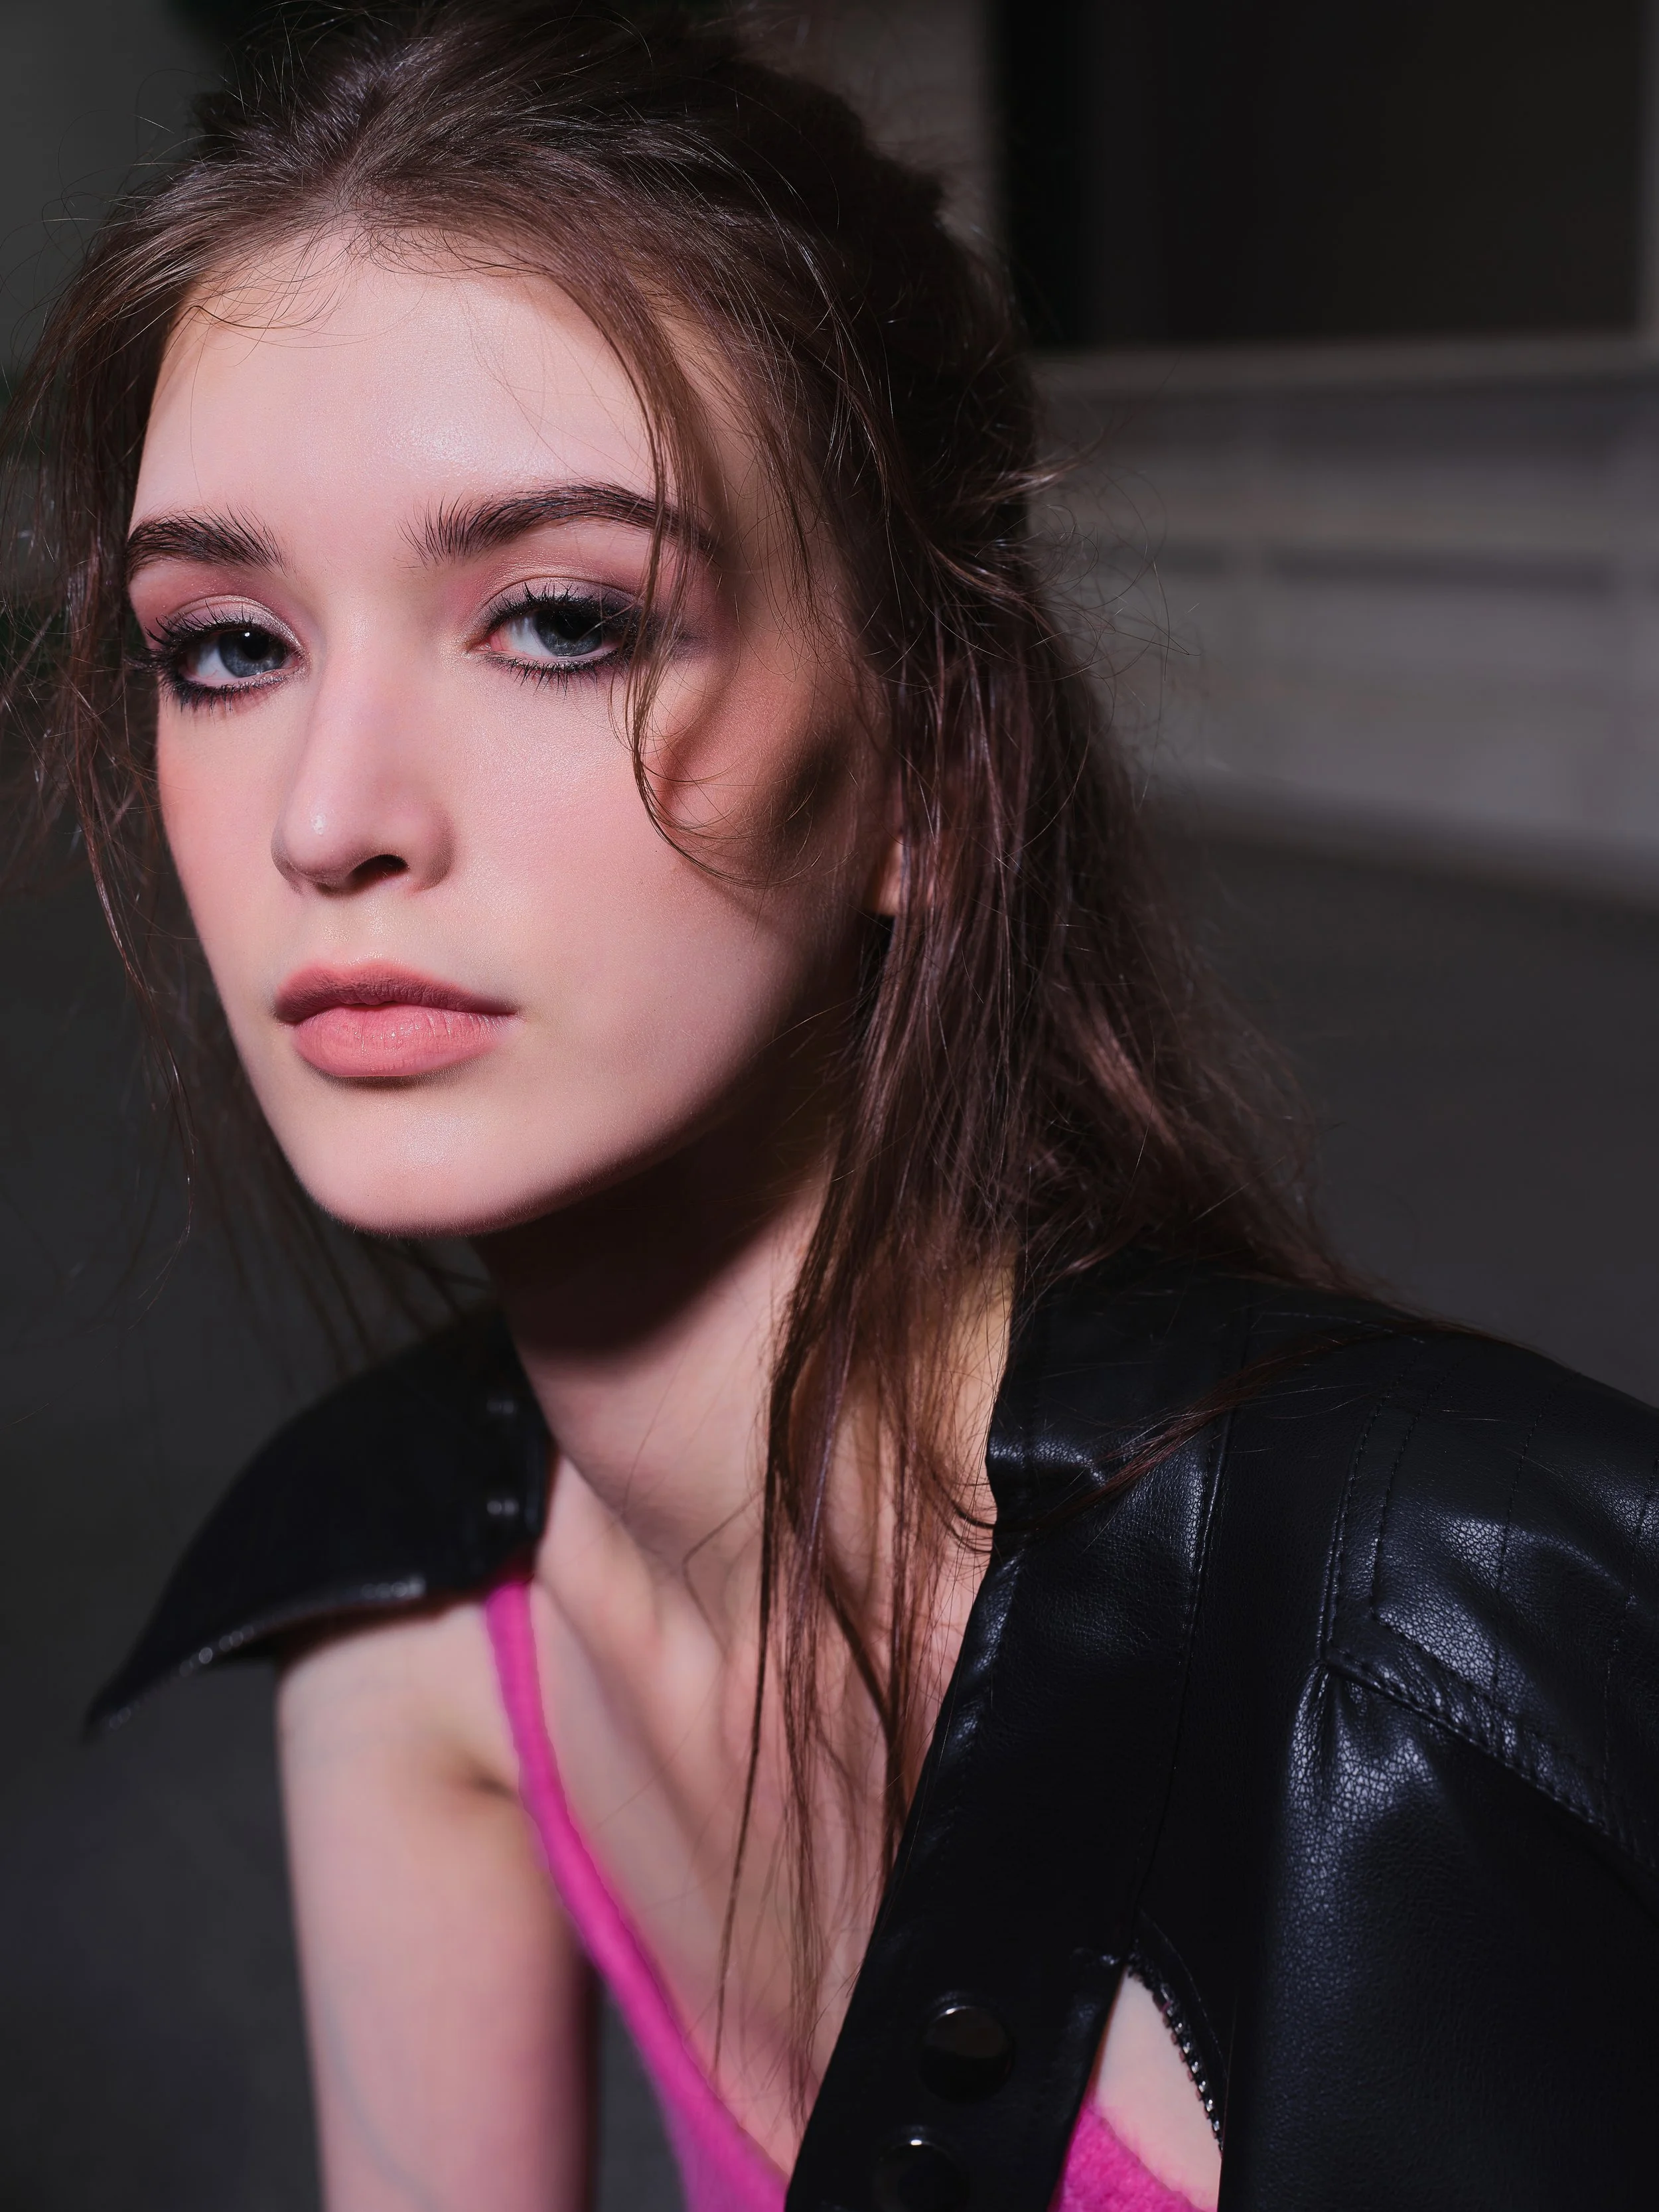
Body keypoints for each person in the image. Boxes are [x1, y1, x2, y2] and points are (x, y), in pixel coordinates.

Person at [7, 4, 1656, 2206]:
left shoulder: (1430, 1654)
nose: (329, 816)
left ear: (925, 775)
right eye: (226, 643)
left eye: (562, 619)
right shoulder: (415, 1633)